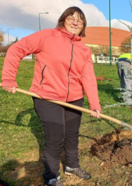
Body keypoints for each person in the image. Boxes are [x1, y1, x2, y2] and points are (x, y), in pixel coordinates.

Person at [1, 7, 101, 186]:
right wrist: (9, 78)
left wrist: (95, 104)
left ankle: (72, 165)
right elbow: (17, 50)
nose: (75, 22)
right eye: (71, 18)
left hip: (75, 99)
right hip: (47, 97)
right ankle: (52, 176)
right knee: (56, 136)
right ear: (63, 20)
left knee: (72, 134)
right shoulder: (47, 36)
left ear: (83, 25)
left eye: (80, 20)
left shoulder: (84, 50)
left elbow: (89, 78)